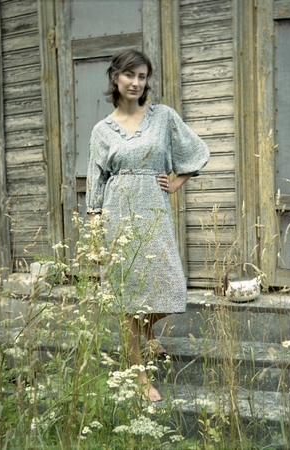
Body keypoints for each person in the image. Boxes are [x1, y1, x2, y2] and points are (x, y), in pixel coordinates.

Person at [86, 49, 209, 402]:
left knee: (169, 285)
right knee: (127, 296)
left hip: (153, 212)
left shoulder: (163, 117)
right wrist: (94, 236)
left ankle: (145, 329)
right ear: (115, 77)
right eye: (129, 75)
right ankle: (139, 375)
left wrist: (176, 182)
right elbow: (95, 184)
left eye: (142, 76)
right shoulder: (101, 130)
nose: (136, 83)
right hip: (116, 213)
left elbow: (195, 150)